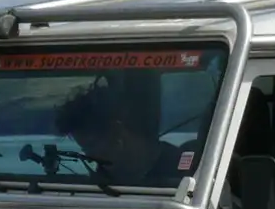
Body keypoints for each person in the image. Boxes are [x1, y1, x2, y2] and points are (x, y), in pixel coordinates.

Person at [55, 76, 186, 188]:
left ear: (116, 130)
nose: (90, 157)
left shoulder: (183, 171)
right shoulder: (100, 185)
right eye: (85, 149)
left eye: (92, 146)